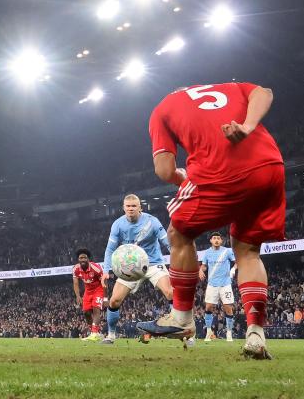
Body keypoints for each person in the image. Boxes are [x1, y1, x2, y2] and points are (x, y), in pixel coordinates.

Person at [137, 82, 284, 360]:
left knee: (178, 233)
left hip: (218, 171)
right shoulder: (231, 86)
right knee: (248, 251)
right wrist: (248, 126)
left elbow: (164, 170)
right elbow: (266, 92)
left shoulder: (161, 110)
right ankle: (255, 333)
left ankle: (181, 317)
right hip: (269, 167)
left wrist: (183, 177)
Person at [100, 194, 172, 344]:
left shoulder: (152, 221)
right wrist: (106, 270)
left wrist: (178, 259)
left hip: (153, 263)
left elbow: (167, 242)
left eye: (134, 206)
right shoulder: (118, 224)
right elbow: (110, 249)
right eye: (128, 206)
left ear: (140, 207)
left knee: (170, 292)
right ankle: (111, 335)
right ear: (124, 208)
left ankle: (186, 332)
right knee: (114, 301)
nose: (131, 209)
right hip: (131, 267)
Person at [200, 232, 237, 342]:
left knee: (228, 308)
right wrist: (200, 270)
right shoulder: (207, 253)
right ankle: (208, 332)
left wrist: (233, 269)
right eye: (214, 238)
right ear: (211, 240)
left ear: (221, 241)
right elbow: (204, 266)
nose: (216, 240)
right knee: (208, 307)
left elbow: (236, 262)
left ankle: (229, 333)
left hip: (225, 284)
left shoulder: (227, 251)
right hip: (212, 284)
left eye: (218, 238)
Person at [72, 248, 107, 342]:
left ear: (88, 259)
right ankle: (95, 333)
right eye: (80, 258)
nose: (82, 259)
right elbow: (75, 283)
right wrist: (78, 296)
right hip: (88, 290)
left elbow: (104, 281)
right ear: (78, 259)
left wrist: (105, 298)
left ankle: (94, 334)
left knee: (96, 309)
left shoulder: (96, 268)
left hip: (98, 289)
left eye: (85, 258)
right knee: (86, 313)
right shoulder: (76, 268)